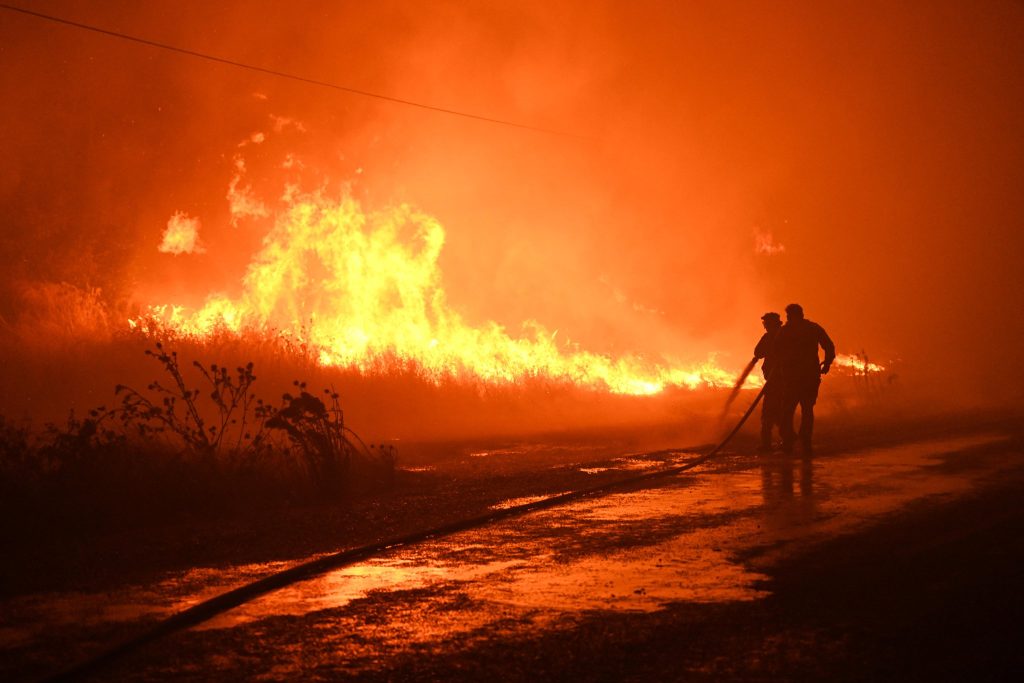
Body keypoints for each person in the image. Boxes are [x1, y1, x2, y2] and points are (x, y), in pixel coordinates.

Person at [775, 303, 835, 454]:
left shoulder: (786, 331)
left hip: (796, 377)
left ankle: (791, 440)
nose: (788, 319)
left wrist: (827, 363)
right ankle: (801, 440)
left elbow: (776, 351)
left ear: (794, 316)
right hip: (807, 376)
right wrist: (827, 363)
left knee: (790, 409)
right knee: (804, 409)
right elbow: (829, 346)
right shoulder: (812, 328)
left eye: (789, 316)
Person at [753, 312, 783, 452]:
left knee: (769, 413)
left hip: (778, 381)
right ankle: (787, 440)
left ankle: (768, 444)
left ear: (772, 324)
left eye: (766, 323)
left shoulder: (777, 336)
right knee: (778, 412)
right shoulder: (781, 335)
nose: (764, 326)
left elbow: (758, 352)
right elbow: (758, 353)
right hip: (777, 381)